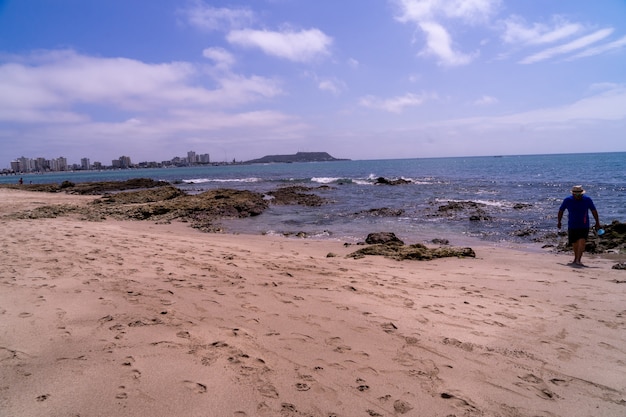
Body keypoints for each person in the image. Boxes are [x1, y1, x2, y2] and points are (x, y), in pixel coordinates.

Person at [557, 185, 600, 266]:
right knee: (575, 242)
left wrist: (597, 222)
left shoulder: (587, 200)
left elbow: (593, 210)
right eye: (575, 194)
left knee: (582, 241)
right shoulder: (568, 200)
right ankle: (576, 258)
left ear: (581, 193)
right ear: (573, 194)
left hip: (584, 225)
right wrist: (559, 222)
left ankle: (578, 260)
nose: (577, 196)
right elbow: (561, 210)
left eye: (579, 194)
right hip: (572, 225)